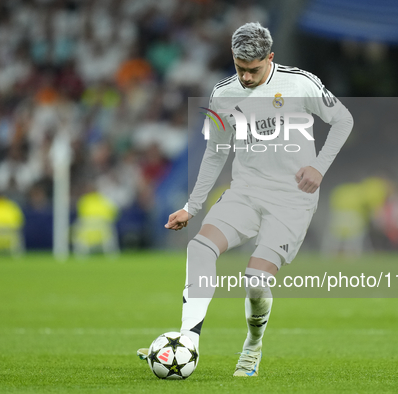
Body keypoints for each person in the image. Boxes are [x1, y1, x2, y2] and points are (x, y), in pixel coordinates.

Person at [138, 22, 353, 377]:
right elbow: (215, 151)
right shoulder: (222, 93)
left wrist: (319, 167)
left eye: (254, 70)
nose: (247, 77)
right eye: (240, 69)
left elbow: (343, 119)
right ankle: (189, 340)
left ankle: (253, 345)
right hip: (246, 191)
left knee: (255, 280)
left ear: (270, 58)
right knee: (199, 248)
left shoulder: (299, 82)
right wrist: (192, 207)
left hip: (292, 198)